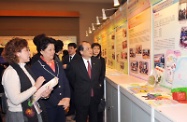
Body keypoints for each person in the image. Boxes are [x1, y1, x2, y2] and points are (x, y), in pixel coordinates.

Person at [2, 37, 51, 122]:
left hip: (32, 110)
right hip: (19, 115)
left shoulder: (25, 68)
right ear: (17, 53)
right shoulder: (11, 72)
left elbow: (31, 95)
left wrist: (43, 94)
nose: (29, 53)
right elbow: (15, 100)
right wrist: (36, 87)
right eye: (26, 50)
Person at [31, 36, 70, 122]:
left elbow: (65, 81)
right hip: (48, 106)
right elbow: (40, 89)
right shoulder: (36, 67)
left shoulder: (58, 63)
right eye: (50, 50)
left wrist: (67, 97)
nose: (53, 52)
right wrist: (57, 102)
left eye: (54, 49)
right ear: (41, 51)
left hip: (62, 102)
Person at [68, 41, 102, 122]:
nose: (91, 50)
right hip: (81, 98)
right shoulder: (74, 64)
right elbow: (72, 80)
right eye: (87, 49)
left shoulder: (97, 62)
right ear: (81, 52)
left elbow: (99, 77)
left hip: (95, 97)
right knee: (81, 118)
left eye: (90, 48)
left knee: (94, 118)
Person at [62, 43, 80, 118]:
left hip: (76, 81)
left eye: (71, 48)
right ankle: (71, 111)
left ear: (75, 49)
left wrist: (68, 66)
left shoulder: (79, 58)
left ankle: (77, 113)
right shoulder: (65, 57)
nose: (69, 50)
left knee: (77, 98)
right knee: (70, 96)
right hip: (67, 81)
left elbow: (78, 68)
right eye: (68, 48)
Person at [91, 43, 106, 122]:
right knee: (91, 105)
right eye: (95, 48)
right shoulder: (89, 59)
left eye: (98, 49)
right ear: (91, 49)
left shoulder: (102, 60)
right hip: (90, 86)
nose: (96, 50)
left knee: (99, 103)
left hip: (99, 85)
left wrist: (100, 83)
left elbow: (103, 73)